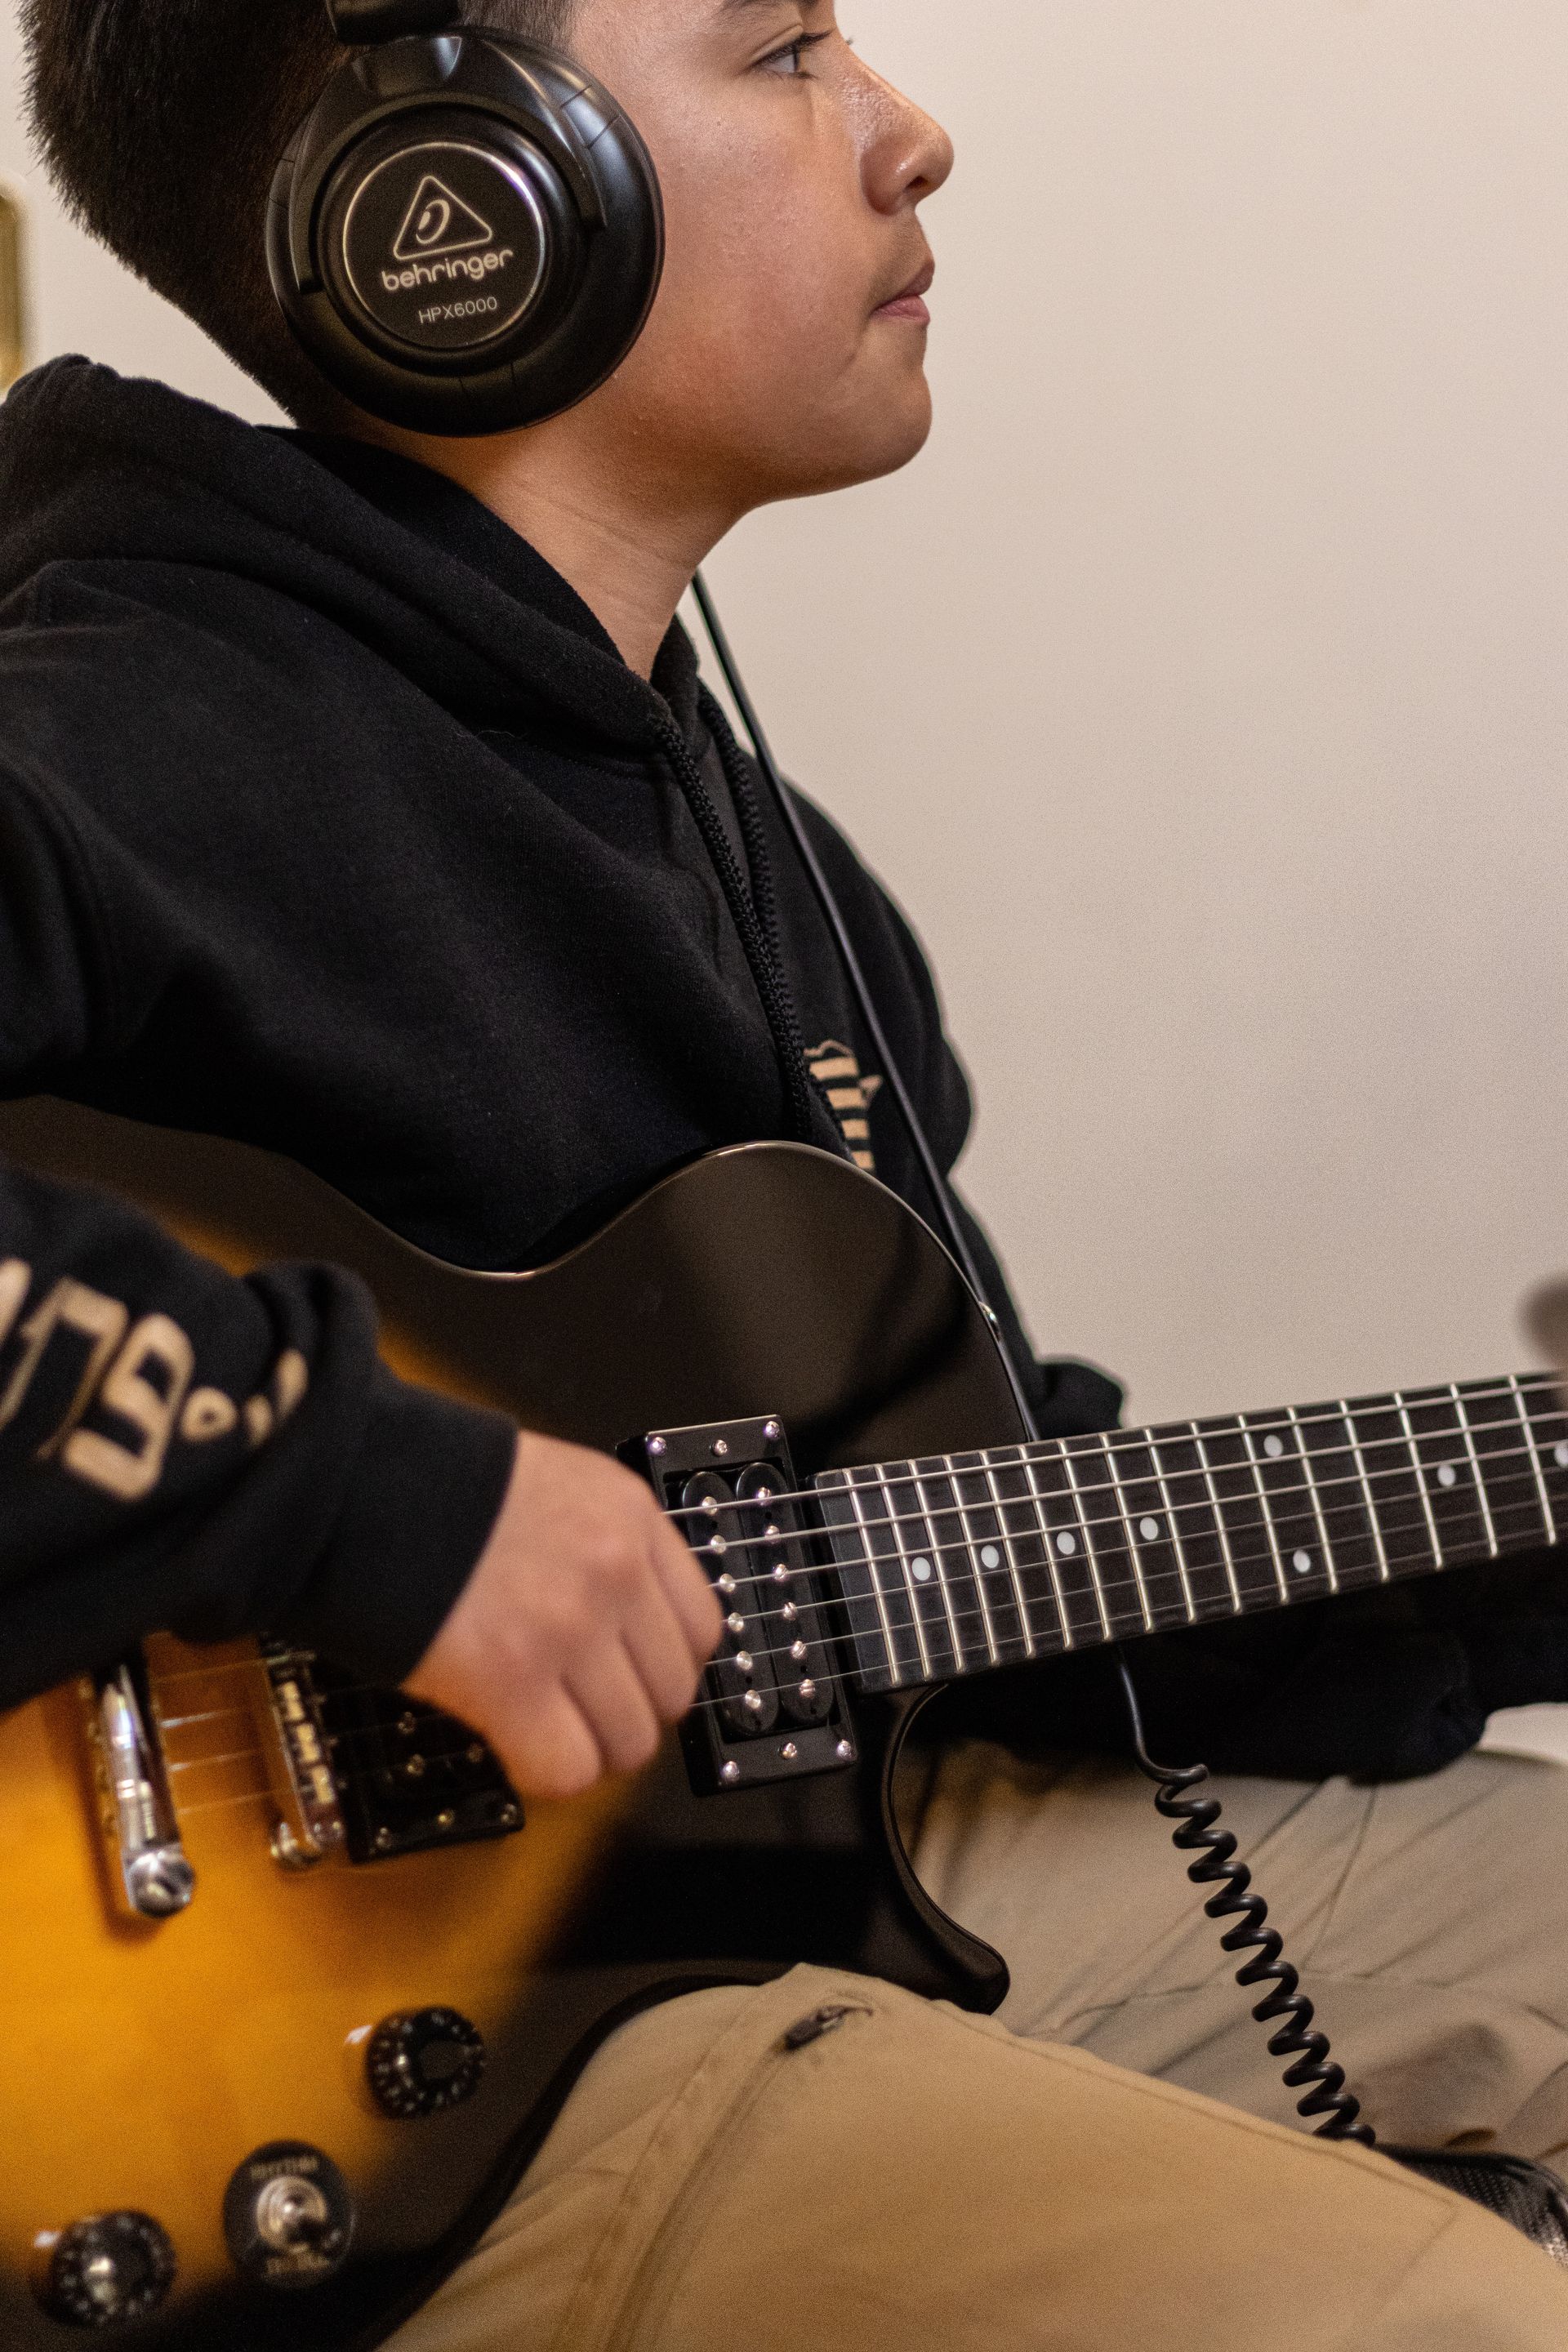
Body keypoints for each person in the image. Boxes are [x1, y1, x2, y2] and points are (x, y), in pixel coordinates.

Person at [6, 1, 1568, 2343]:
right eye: (785, 49)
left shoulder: (767, 876)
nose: (913, 134)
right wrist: (356, 1493)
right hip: (339, 2093)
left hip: (825, 1873)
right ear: (453, 190)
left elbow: (973, 1535)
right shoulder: (133, 723)